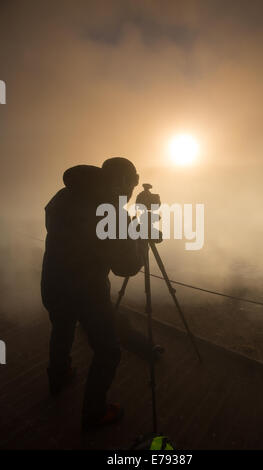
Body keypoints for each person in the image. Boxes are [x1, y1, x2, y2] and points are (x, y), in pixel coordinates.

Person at [41, 157, 157, 430]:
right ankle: (95, 412)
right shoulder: (112, 212)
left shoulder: (65, 194)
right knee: (107, 351)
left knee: (62, 328)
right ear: (124, 182)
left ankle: (58, 376)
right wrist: (139, 235)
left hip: (53, 281)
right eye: (131, 183)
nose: (131, 192)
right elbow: (126, 266)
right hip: (86, 292)